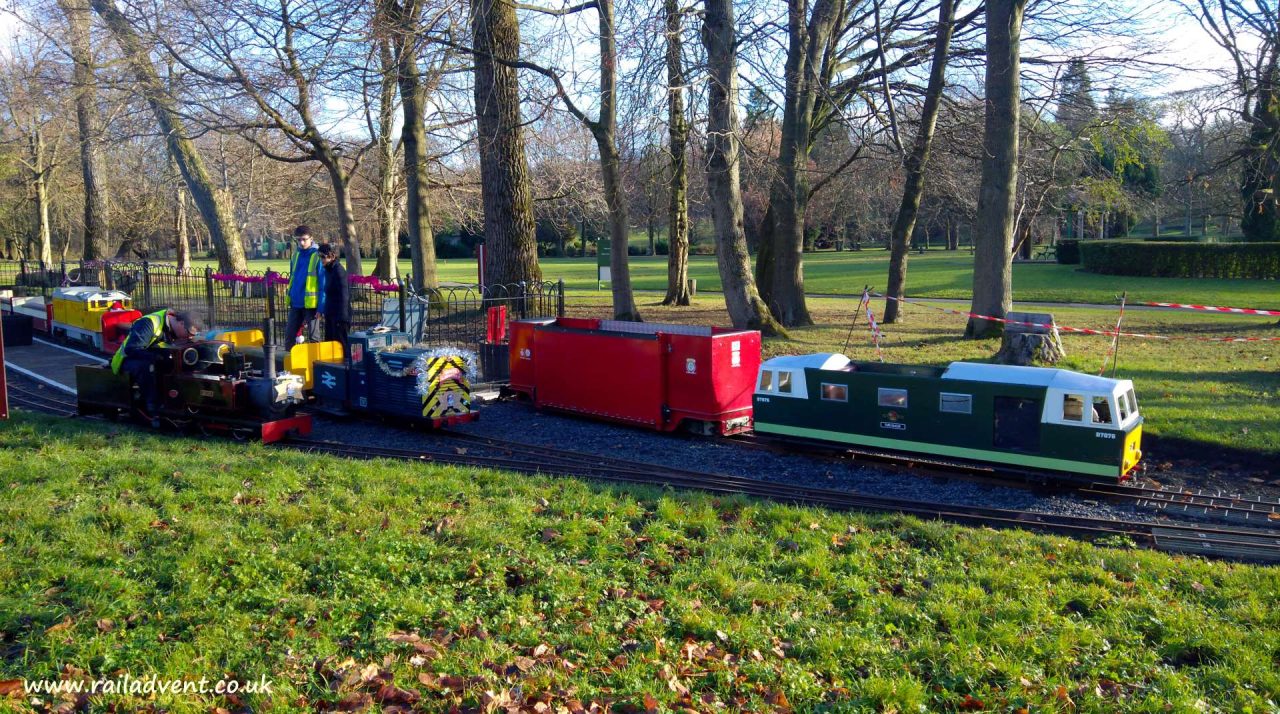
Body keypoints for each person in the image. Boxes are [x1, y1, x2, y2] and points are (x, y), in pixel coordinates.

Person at [110, 309, 201, 424]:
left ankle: (176, 401)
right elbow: (131, 349)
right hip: (127, 360)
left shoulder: (173, 329)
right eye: (189, 333)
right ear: (181, 323)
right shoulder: (148, 323)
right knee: (148, 366)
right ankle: (152, 406)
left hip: (149, 358)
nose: (189, 338)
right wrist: (156, 357)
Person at [285, 225, 321, 344]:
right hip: (296, 301)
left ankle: (315, 361)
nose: (301, 242)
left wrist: (321, 306)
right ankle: (290, 359)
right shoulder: (296, 255)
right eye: (298, 239)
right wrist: (290, 295)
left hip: (311, 304)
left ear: (311, 238)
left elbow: (322, 281)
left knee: (314, 337)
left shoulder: (317, 256)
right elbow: (292, 277)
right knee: (289, 336)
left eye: (304, 239)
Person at [317, 243, 351, 356]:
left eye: (323, 256)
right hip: (331, 314)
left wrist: (342, 317)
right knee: (330, 345)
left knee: (341, 345)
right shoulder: (328, 270)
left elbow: (344, 294)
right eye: (320, 256)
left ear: (332, 256)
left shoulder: (338, 271)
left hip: (339, 316)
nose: (321, 259)